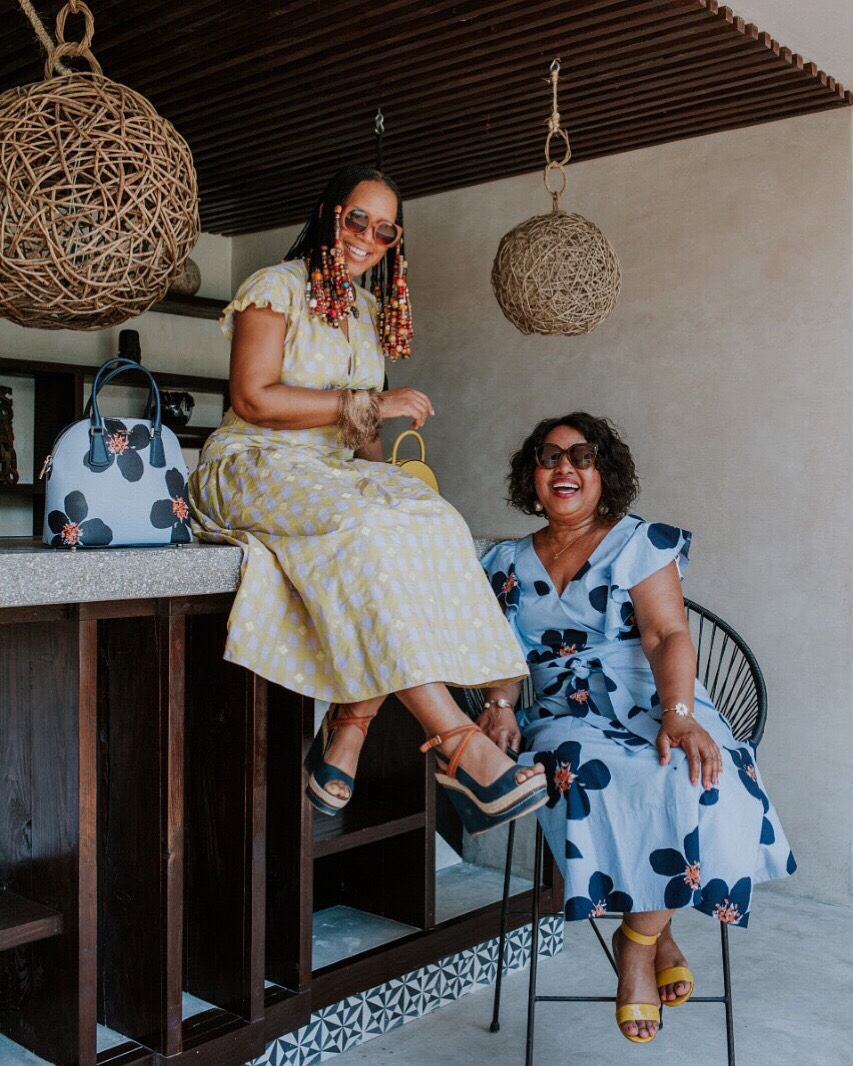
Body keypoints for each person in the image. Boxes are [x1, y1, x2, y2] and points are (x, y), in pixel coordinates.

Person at [189, 164, 547, 835]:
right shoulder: (275, 286)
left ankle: (348, 729)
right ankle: (457, 742)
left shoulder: (366, 311)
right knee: (366, 527)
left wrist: (393, 484)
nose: (367, 239)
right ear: (327, 214)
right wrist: (371, 404)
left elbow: (356, 435)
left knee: (432, 520)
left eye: (385, 232)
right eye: (357, 219)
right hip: (249, 464)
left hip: (329, 474)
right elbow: (253, 397)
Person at [478, 413, 795, 1043]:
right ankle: (660, 930)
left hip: (655, 696)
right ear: (531, 476)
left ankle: (636, 941)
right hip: (565, 712)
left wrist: (679, 717)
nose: (564, 467)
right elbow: (497, 650)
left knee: (687, 769)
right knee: (594, 773)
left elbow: (667, 633)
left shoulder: (639, 542)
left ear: (605, 473)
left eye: (582, 456)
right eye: (549, 456)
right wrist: (499, 702)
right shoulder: (506, 560)